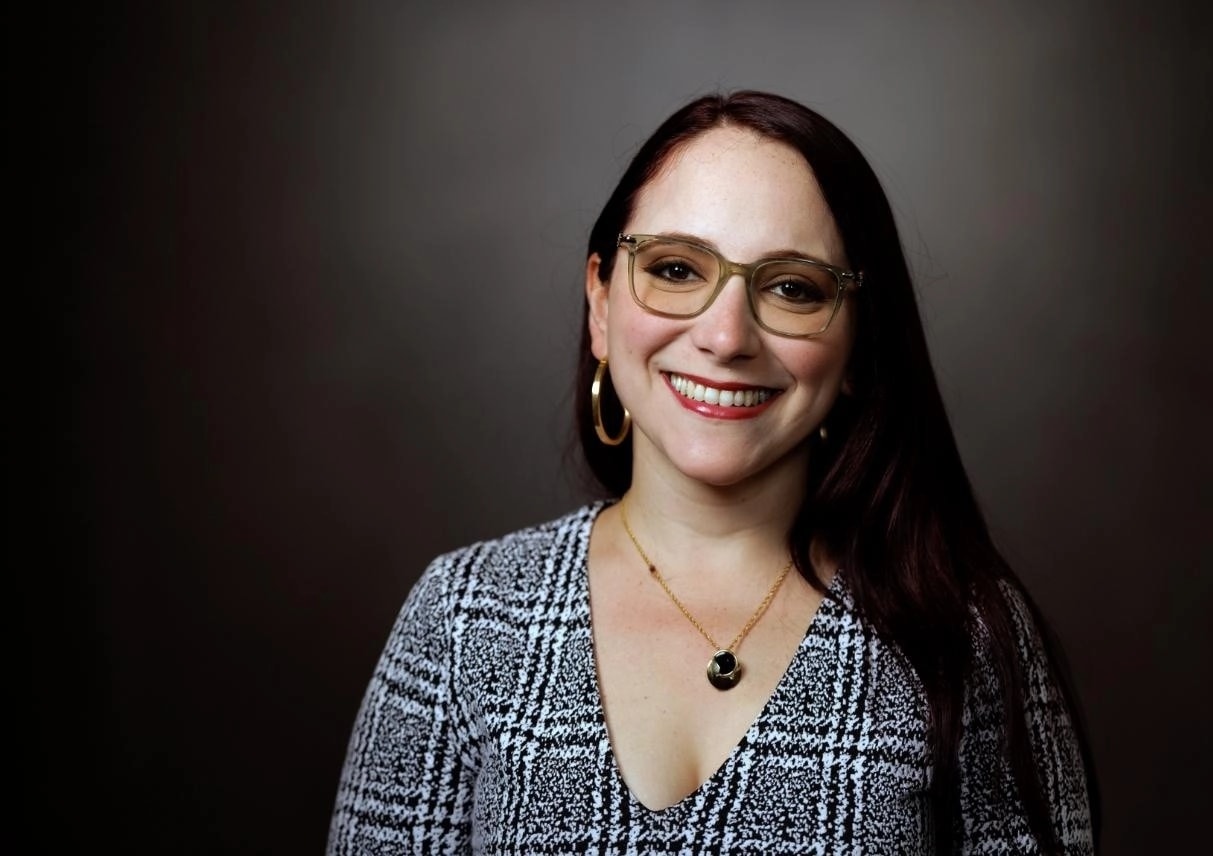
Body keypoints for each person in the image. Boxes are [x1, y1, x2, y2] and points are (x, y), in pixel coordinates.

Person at [328, 91, 1098, 855]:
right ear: (601, 303)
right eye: (674, 268)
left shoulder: (962, 636)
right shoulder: (463, 620)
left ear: (861, 346)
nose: (726, 336)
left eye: (793, 287)